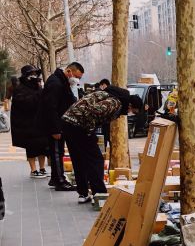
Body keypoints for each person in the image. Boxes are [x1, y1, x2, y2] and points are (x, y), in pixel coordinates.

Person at [61, 86, 141, 203]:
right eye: (132, 111)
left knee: (78, 159)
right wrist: (90, 130)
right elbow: (94, 110)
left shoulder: (110, 96)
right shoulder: (115, 103)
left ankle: (83, 194)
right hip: (79, 126)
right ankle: (99, 194)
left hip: (68, 122)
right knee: (96, 160)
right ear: (130, 105)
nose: (129, 113)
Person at [39, 62, 84, 191]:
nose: (77, 80)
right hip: (54, 126)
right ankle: (60, 181)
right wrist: (55, 129)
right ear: (69, 71)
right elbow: (50, 108)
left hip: (59, 124)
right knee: (57, 152)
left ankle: (55, 178)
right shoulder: (56, 83)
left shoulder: (61, 81)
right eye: (77, 77)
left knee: (58, 151)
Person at [10, 66, 48, 178]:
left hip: (40, 122)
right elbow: (25, 104)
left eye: (35, 73)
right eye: (32, 73)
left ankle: (42, 168)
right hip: (27, 123)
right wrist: (39, 95)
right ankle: (33, 170)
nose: (34, 75)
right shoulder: (20, 88)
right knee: (31, 147)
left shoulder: (38, 87)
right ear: (26, 75)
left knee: (43, 146)